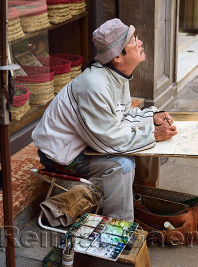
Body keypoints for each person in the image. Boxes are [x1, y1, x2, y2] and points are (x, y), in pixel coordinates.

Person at [32, 18, 177, 221]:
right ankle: (119, 226)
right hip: (61, 155)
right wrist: (152, 134)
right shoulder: (95, 84)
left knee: (146, 146)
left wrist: (151, 117)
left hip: (88, 143)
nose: (140, 43)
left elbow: (123, 116)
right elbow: (108, 140)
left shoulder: (116, 74)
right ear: (118, 55)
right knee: (122, 164)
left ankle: (141, 200)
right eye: (134, 41)